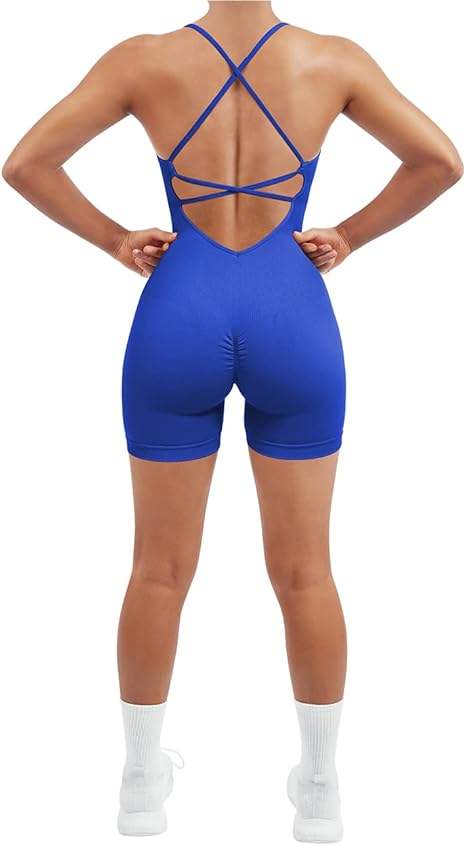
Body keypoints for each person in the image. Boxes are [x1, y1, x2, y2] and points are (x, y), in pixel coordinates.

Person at [3, 1, 462, 841]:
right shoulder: (333, 59)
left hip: (179, 311)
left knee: (157, 570)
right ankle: (319, 789)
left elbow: (26, 163)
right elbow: (440, 161)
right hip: (293, 314)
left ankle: (141, 786)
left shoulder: (144, 59)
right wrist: (349, 236)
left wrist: (113, 239)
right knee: (307, 572)